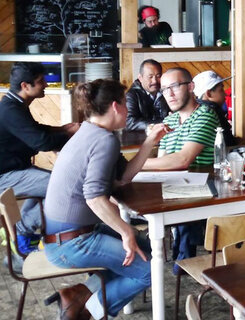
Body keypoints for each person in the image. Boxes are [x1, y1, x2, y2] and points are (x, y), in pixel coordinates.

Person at [43, 79, 167, 320]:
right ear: (115, 106)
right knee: (150, 269)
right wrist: (126, 232)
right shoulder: (104, 140)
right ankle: (88, 312)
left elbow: (122, 178)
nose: (128, 110)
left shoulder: (92, 131)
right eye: (125, 104)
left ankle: (78, 294)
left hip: (66, 235)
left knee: (148, 251)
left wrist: (150, 141)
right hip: (71, 242)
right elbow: (94, 197)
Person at [143, 68, 219, 267]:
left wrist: (136, 165)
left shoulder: (205, 115)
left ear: (191, 87)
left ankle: (182, 261)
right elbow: (162, 161)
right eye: (164, 89)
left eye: (175, 86)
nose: (169, 94)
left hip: (204, 192)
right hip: (174, 189)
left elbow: (182, 160)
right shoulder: (169, 121)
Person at [0, 62, 78, 255]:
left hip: (16, 169)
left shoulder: (14, 104)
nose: (46, 84)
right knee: (62, 186)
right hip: (6, 176)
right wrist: (70, 135)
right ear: (25, 86)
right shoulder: (10, 110)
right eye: (41, 81)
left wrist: (62, 129)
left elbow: (34, 129)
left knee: (55, 183)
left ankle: (23, 232)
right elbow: (41, 142)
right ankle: (20, 233)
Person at [193, 70, 236, 146]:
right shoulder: (210, 114)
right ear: (209, 94)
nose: (225, 94)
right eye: (221, 90)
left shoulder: (199, 110)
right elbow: (228, 143)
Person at [126, 59, 169, 131]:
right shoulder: (132, 95)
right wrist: (160, 124)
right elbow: (130, 122)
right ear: (140, 78)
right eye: (150, 77)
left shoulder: (167, 91)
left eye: (158, 76)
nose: (155, 81)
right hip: (142, 136)